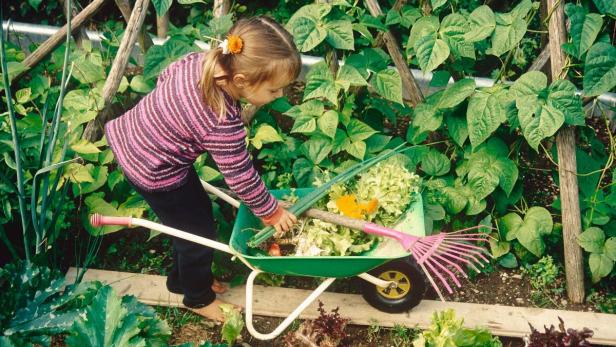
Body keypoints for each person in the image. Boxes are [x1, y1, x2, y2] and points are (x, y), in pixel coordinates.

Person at [104, 16, 300, 322]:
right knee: (197, 235)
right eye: (274, 91)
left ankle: (182, 279)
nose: (280, 97)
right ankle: (197, 299)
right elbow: (240, 176)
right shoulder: (221, 121)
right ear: (240, 81)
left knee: (189, 222)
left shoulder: (199, 62)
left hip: (135, 139)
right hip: (156, 170)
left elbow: (165, 77)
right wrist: (271, 212)